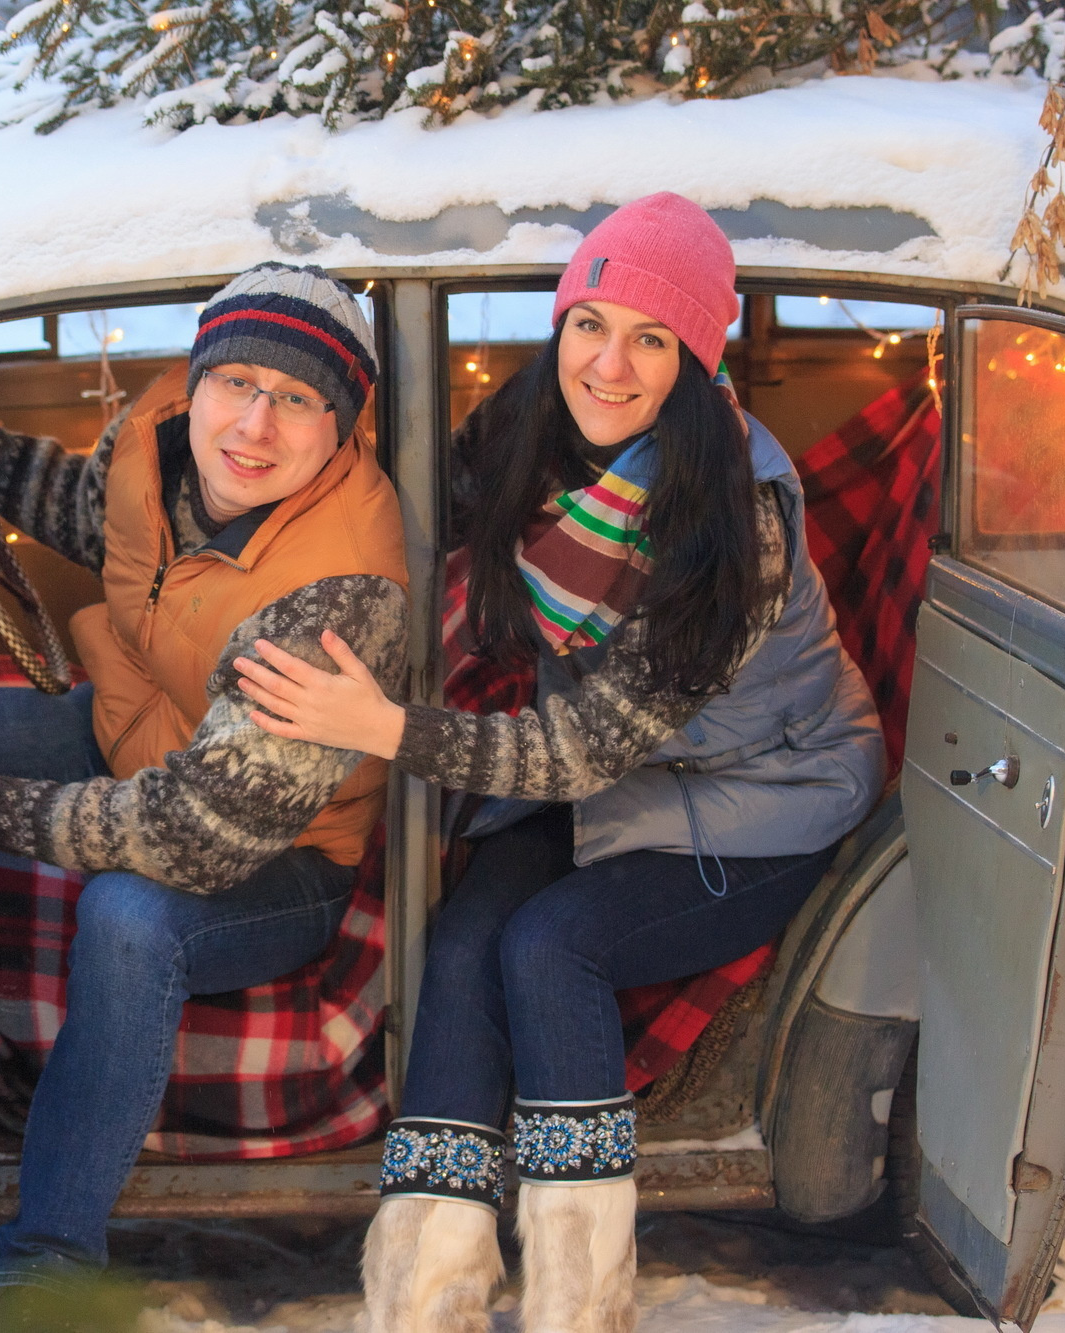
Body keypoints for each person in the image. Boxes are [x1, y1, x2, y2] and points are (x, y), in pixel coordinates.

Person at [231, 195, 886, 1333]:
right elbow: (414, 496)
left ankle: (580, 1305)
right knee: (466, 936)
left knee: (548, 945)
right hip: (621, 771)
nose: (610, 363)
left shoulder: (732, 526)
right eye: (591, 322)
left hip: (759, 798)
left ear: (693, 360)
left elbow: (570, 753)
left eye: (651, 338)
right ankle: (422, 1297)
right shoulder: (532, 415)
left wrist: (380, 722)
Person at [0, 264, 408, 1330]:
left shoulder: (339, 589)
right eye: (235, 381)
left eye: (295, 399)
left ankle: (47, 1262)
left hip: (281, 853)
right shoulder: (163, 426)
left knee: (131, 916)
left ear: (340, 426)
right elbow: (100, 515)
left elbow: (196, 837)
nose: (252, 422)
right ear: (195, 381)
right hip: (136, 721)